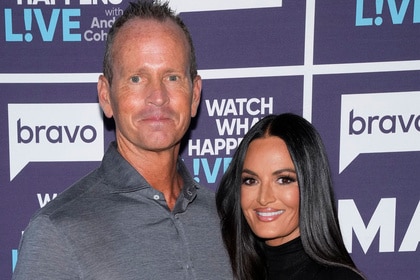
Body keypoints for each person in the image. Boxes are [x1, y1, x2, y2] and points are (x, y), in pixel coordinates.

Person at [13, 1, 232, 279]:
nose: (158, 96)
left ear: (195, 95)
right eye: (137, 78)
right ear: (106, 95)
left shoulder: (227, 221)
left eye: (173, 77)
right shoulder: (57, 231)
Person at [216, 113, 365, 280]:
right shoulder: (225, 270)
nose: (264, 198)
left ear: (310, 186)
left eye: (283, 180)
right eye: (251, 180)